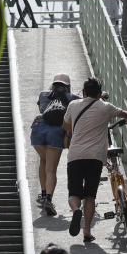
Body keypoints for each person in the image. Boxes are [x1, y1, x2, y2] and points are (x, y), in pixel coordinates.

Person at [63, 78, 127, 243]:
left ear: (83, 92)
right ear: (99, 93)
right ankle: (87, 231)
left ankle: (75, 211)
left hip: (75, 156)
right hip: (95, 157)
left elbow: (65, 125)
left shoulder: (73, 105)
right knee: (90, 196)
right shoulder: (106, 107)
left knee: (74, 193)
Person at [33, 74, 80, 216]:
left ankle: (42, 194)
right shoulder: (72, 98)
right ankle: (48, 199)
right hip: (56, 133)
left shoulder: (43, 94)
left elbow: (41, 109)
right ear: (68, 86)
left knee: (43, 160)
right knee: (51, 169)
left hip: (37, 129)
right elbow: (86, 103)